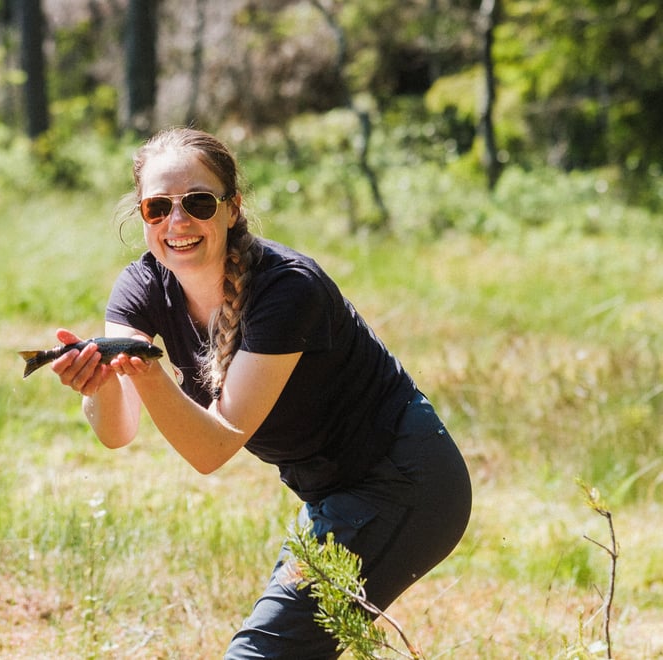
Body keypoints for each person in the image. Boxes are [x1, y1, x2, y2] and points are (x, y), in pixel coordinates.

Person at [47, 127, 471, 658]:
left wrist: (148, 374)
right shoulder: (142, 286)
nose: (177, 223)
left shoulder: (288, 288)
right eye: (158, 208)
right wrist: (102, 383)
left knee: (261, 653)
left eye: (197, 202)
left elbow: (212, 447)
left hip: (409, 480)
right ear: (142, 215)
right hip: (328, 492)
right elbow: (117, 431)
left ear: (231, 208)